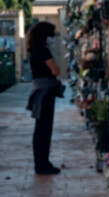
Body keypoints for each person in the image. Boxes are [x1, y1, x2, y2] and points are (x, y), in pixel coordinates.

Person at [26, 22, 65, 175]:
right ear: (45, 35)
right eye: (51, 35)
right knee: (44, 129)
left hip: (39, 91)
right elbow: (56, 70)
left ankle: (40, 163)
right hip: (46, 92)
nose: (52, 38)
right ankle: (43, 165)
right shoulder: (43, 51)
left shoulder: (34, 51)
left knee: (39, 129)